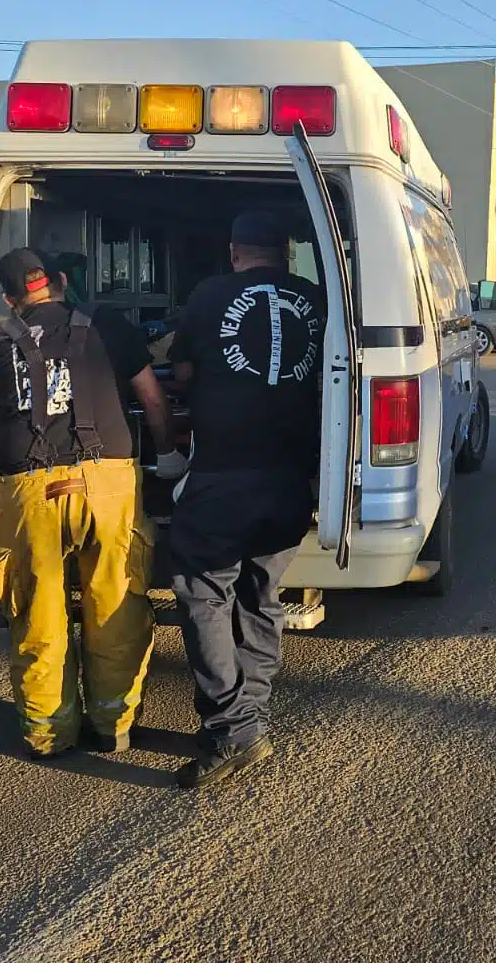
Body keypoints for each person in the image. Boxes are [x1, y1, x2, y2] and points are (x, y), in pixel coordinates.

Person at [0, 248, 187, 758]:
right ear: (60, 281)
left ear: (11, 298)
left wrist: (31, 461)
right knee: (116, 601)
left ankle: (47, 734)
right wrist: (168, 454)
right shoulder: (107, 327)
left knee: (38, 610)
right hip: (106, 482)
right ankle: (114, 726)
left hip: (28, 487)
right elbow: (152, 399)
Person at [166, 210, 325, 790]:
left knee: (204, 593)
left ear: (235, 252)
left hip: (223, 475)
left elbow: (181, 372)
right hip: (290, 479)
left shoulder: (210, 296)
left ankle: (233, 726)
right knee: (261, 593)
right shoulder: (313, 297)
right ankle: (246, 720)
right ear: (284, 252)